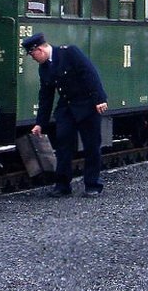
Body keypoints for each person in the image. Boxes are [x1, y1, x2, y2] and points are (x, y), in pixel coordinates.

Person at [24, 33, 109, 197]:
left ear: (40, 50)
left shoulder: (69, 53)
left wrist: (100, 99)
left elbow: (90, 73)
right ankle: (62, 185)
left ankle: (92, 184)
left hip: (87, 105)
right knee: (63, 146)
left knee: (91, 146)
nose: (32, 58)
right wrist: (40, 123)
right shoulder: (44, 68)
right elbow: (45, 97)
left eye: (32, 54)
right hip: (67, 108)